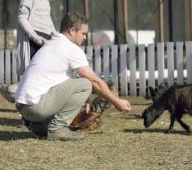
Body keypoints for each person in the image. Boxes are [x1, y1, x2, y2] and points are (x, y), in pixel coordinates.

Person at [15, 12, 131, 141]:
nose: (85, 37)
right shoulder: (71, 48)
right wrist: (117, 102)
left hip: (23, 106)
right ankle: (57, 129)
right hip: (36, 107)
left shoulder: (51, 44)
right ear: (72, 30)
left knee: (73, 82)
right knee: (85, 84)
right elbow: (94, 81)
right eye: (83, 33)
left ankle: (40, 125)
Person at [0, 0, 57, 103]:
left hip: (46, 39)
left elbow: (47, 19)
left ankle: (34, 105)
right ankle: (12, 94)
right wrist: (36, 38)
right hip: (34, 41)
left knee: (44, 76)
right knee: (33, 77)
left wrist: (56, 36)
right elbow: (22, 18)